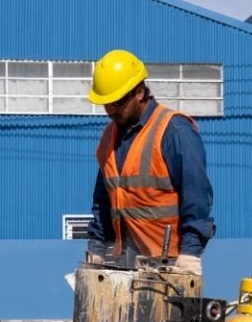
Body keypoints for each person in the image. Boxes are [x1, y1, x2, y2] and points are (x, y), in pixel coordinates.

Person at [84, 49, 214, 274]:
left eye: (117, 102)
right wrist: (97, 247)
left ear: (140, 92)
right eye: (106, 104)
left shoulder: (174, 131)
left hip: (170, 265)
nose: (110, 110)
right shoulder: (108, 137)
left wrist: (190, 253)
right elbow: (104, 201)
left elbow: (197, 195)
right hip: (124, 262)